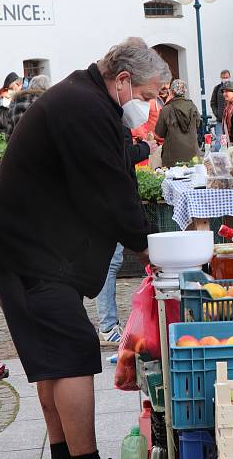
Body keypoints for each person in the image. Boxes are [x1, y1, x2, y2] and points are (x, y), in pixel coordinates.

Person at [0, 37, 170, 459]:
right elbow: (111, 189)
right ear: (124, 80)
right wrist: (146, 247)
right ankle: (83, 455)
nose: (149, 107)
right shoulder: (84, 105)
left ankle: (64, 451)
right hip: (27, 252)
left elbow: (111, 179)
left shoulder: (85, 97)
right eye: (148, 96)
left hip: (32, 249)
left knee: (53, 357)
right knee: (73, 353)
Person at [96, 126, 156, 346]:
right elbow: (120, 158)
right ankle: (108, 326)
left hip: (106, 201)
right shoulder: (108, 121)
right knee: (109, 264)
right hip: (110, 203)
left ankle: (108, 324)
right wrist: (144, 148)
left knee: (109, 263)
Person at [155, 79, 201, 167]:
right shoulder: (192, 106)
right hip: (193, 156)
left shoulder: (167, 109)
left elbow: (159, 133)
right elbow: (198, 125)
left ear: (171, 91)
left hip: (172, 158)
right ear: (185, 92)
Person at [6, 76, 52, 141]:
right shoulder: (49, 105)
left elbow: (8, 137)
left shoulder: (14, 107)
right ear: (47, 88)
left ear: (30, 87)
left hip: (19, 149)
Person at [210, 69, 232, 149]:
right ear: (221, 77)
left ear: (230, 77)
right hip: (220, 120)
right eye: (223, 77)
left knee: (232, 140)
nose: (225, 79)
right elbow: (213, 102)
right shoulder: (217, 88)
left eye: (227, 77)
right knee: (219, 140)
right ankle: (217, 158)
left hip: (231, 119)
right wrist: (217, 113)